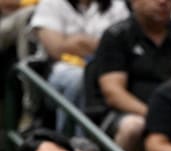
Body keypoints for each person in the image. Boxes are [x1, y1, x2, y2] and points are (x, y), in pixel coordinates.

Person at [90, 0, 171, 151]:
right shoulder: (117, 35)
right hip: (122, 115)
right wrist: (155, 115)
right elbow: (113, 92)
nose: (163, 2)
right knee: (133, 126)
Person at [28, 0, 129, 132]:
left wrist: (79, 42)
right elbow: (56, 49)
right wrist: (102, 46)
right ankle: (73, 141)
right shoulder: (51, 3)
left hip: (106, 70)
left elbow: (123, 47)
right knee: (79, 78)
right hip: (59, 72)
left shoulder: (117, 6)